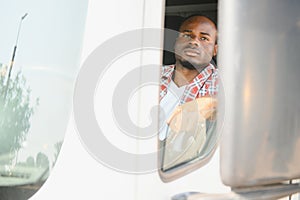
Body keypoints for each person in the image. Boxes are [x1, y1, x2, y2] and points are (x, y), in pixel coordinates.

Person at [159, 15, 218, 141]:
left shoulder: (221, 81)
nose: (194, 42)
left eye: (204, 38)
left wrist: (208, 103)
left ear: (215, 50)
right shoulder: (155, 74)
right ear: (175, 43)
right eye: (186, 35)